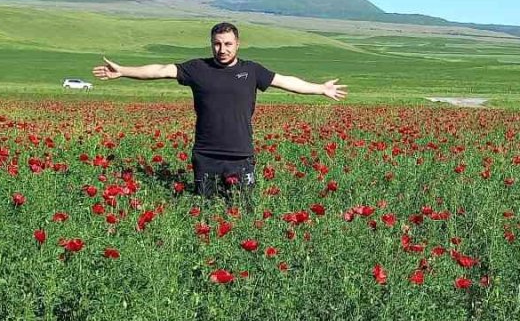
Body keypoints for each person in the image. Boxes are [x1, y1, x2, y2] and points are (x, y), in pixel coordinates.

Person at [92, 22, 347, 208]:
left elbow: (287, 81)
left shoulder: (252, 71)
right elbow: (161, 70)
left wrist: (320, 89)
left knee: (243, 210)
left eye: (227, 44)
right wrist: (123, 71)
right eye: (217, 44)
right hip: (206, 156)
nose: (222, 49)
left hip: (240, 155)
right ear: (211, 44)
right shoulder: (197, 68)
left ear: (237, 44)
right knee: (206, 211)